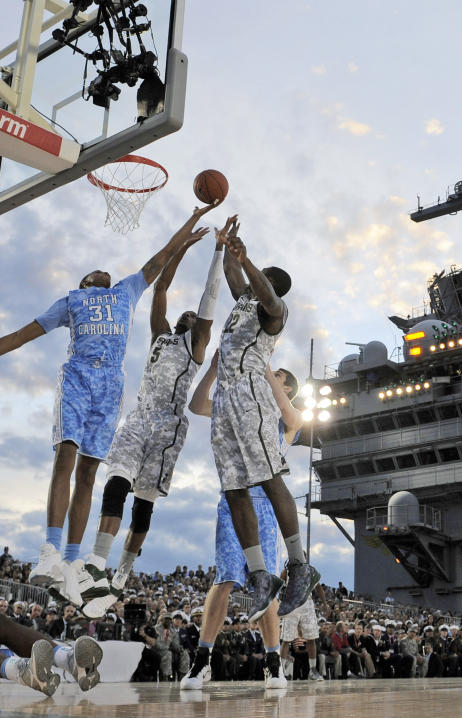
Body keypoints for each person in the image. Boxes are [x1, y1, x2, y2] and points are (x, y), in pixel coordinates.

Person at [0, 203, 218, 605]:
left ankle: (71, 562)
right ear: (85, 282)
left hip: (111, 386)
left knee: (89, 471)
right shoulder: (71, 301)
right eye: (94, 272)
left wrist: (190, 222)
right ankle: (50, 548)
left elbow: (158, 262)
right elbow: (19, 336)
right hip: (78, 377)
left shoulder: (124, 291)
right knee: (66, 457)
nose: (102, 270)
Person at [77, 219, 228, 615]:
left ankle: (124, 569)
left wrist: (217, 251)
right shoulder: (160, 333)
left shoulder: (195, 346)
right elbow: (160, 287)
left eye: (195, 316)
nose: (190, 314)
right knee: (116, 481)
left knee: (143, 503)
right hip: (140, 415)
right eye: (187, 313)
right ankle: (96, 562)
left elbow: (209, 300)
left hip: (169, 425)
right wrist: (182, 249)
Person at [210, 221, 318, 619]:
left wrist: (247, 258)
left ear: (269, 283)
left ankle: (299, 564)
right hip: (225, 397)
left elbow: (265, 295)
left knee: (269, 477)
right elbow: (233, 278)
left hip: (252, 393)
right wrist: (223, 250)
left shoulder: (275, 310)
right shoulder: (243, 303)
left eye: (261, 280)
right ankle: (260, 575)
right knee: (234, 488)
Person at [181, 353, 302, 690]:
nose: (271, 374)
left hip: (265, 507)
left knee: (266, 587)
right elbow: (197, 405)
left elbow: (292, 416)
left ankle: (273, 661)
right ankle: (202, 661)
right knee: (224, 579)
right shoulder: (238, 408)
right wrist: (213, 370)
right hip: (233, 500)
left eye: (279, 375)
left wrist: (262, 364)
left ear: (287, 388)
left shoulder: (286, 417)